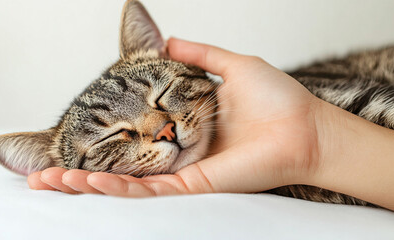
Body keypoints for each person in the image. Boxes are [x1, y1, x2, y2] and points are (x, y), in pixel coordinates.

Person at [28, 38, 394, 210]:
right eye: (113, 137)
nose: (162, 129)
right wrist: (310, 149)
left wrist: (312, 132)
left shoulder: (279, 100)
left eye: (164, 92)